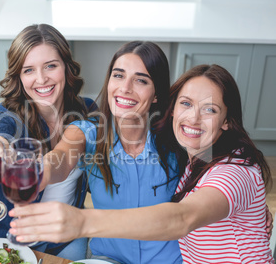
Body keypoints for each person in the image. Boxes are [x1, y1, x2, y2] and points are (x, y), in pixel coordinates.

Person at [9, 64, 275, 263]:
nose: (193, 118)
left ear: (228, 120)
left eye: (210, 109)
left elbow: (183, 217)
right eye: (186, 104)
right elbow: (61, 158)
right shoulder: (196, 154)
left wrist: (82, 222)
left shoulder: (230, 170)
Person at [10, 40, 183, 263]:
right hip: (108, 260)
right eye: (118, 75)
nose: (125, 88)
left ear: (157, 94)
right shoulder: (88, 131)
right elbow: (61, 158)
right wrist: (40, 171)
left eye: (140, 80)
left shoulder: (176, 140)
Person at [0, 23, 96, 260]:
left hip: (66, 238)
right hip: (13, 238)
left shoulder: (87, 110)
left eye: (50, 66)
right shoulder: (5, 114)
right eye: (29, 70)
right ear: (19, 76)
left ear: (66, 66)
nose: (41, 79)